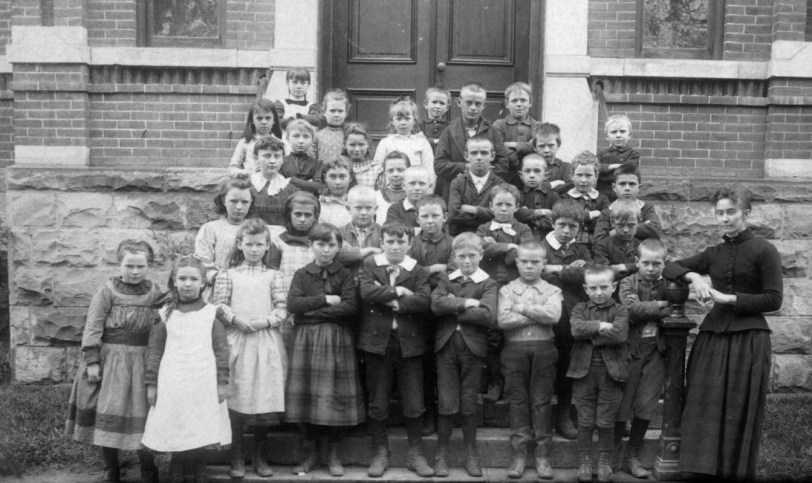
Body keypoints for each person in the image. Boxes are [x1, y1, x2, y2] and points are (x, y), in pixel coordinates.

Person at [663, 189, 782, 480]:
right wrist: (694, 277)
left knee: (738, 409)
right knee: (701, 403)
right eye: (720, 213)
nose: (725, 218)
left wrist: (727, 298)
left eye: (731, 212)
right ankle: (700, 471)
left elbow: (773, 299)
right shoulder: (713, 253)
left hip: (749, 339)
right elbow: (670, 267)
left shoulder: (764, 250)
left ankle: (732, 472)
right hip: (713, 337)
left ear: (746, 213)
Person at [65, 240, 164, 483]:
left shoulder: (155, 292)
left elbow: (165, 322)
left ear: (148, 265)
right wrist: (92, 360)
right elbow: (93, 325)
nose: (135, 271)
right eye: (129, 265)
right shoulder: (107, 291)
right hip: (111, 360)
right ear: (119, 264)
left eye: (140, 265)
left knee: (142, 411)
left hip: (142, 359)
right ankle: (112, 467)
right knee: (108, 410)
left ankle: (148, 466)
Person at [209, 219, 288, 479]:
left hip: (265, 340)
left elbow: (282, 307)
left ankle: (260, 456)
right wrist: (235, 319)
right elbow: (218, 304)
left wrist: (267, 320)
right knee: (238, 395)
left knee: (263, 398)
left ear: (267, 246)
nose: (254, 249)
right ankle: (236, 456)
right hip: (237, 340)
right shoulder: (227, 274)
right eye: (249, 244)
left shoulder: (274, 275)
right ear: (240, 245)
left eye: (260, 245)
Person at [142, 256, 231, 483]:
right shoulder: (164, 314)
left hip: (203, 380)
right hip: (173, 380)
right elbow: (154, 351)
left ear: (203, 283)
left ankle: (200, 466)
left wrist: (222, 382)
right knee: (177, 421)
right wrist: (151, 384)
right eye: (182, 278)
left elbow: (221, 350)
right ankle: (177, 465)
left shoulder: (212, 313)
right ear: (174, 281)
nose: (188, 284)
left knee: (200, 422)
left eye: (194, 279)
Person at [286, 222, 365, 477]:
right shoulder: (301, 274)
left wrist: (312, 311)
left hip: (336, 339)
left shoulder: (344, 274)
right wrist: (324, 300)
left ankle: (333, 451)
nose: (326, 250)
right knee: (306, 395)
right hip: (305, 341)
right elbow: (294, 304)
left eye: (331, 245)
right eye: (320, 244)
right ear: (310, 245)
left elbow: (351, 307)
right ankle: (310, 452)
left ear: (339, 247)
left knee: (334, 395)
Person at [358, 223, 434, 478]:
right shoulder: (371, 265)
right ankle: (380, 452)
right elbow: (366, 291)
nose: (395, 246)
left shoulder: (418, 269)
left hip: (409, 342)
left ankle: (415, 454)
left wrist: (396, 303)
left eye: (400, 242)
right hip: (377, 342)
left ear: (410, 244)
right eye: (390, 241)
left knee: (414, 400)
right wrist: (396, 290)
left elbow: (424, 300)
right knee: (378, 400)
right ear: (382, 242)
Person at [430, 232, 498, 477]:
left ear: (481, 255)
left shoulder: (488, 282)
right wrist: (470, 303)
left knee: (469, 402)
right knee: (447, 403)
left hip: (473, 348)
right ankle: (441, 455)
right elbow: (436, 305)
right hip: (446, 346)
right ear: (454, 256)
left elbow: (488, 315)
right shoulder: (447, 279)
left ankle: (471, 453)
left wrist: (454, 304)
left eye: (472, 255)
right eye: (461, 256)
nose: (467, 261)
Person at [497, 240, 563, 480]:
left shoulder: (553, 290)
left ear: (544, 264)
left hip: (544, 350)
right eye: (524, 261)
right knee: (518, 402)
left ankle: (543, 455)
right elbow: (503, 320)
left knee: (541, 402)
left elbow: (553, 315)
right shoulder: (506, 290)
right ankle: (520, 454)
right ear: (517, 263)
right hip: (514, 350)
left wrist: (521, 308)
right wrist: (537, 313)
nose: (529, 266)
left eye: (535, 262)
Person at [568, 265, 629, 483]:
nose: (599, 292)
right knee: (585, 421)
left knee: (605, 421)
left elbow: (619, 335)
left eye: (604, 287)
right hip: (583, 373)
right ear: (585, 288)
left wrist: (591, 333)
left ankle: (604, 462)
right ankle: (584, 461)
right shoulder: (579, 308)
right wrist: (601, 325)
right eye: (593, 288)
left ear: (614, 287)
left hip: (611, 373)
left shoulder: (621, 310)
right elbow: (575, 330)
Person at [615, 238, 670, 479]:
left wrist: (648, 306)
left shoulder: (670, 284)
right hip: (631, 348)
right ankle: (613, 454)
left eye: (656, 263)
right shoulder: (628, 282)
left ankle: (633, 455)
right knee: (623, 401)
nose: (650, 268)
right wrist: (659, 305)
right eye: (645, 263)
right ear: (637, 262)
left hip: (656, 350)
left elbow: (674, 309)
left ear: (664, 263)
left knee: (647, 403)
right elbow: (629, 311)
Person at [541, 199, 594, 441]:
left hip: (571, 317)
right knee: (543, 366)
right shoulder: (542, 246)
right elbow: (537, 271)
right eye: (562, 225)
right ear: (552, 223)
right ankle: (540, 419)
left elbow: (588, 275)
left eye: (573, 227)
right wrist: (568, 270)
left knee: (566, 367)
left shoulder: (582, 250)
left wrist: (557, 270)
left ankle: (562, 415)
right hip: (543, 313)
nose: (566, 231)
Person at [408, 194, 455, 436]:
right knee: (423, 364)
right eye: (424, 216)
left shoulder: (453, 244)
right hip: (418, 313)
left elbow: (456, 273)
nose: (430, 221)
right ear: (417, 218)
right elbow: (409, 273)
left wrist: (435, 273)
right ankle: (427, 414)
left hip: (445, 313)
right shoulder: (411, 244)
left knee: (444, 364)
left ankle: (446, 413)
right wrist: (433, 269)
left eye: (435, 215)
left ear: (445, 217)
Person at [434, 82, 510, 200]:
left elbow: (503, 164)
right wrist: (467, 168)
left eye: (478, 104)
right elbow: (439, 165)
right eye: (469, 103)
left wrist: (482, 176)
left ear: (484, 105)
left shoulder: (493, 132)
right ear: (459, 103)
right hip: (455, 193)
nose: (473, 108)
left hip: (486, 193)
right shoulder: (449, 131)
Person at [268, 192, 320, 351]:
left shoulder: (320, 242)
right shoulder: (278, 243)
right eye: (297, 214)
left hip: (313, 306)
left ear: (315, 217)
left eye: (308, 215)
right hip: (285, 306)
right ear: (289, 215)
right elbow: (272, 275)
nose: (302, 219)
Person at [194, 173, 255, 283]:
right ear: (223, 201)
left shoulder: (255, 229)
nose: (239, 207)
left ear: (251, 202)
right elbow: (201, 264)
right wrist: (218, 278)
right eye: (233, 201)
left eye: (245, 202)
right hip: (218, 284)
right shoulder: (210, 229)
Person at [447, 136, 508, 236]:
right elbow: (454, 214)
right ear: (466, 156)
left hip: (491, 237)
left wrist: (475, 210)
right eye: (474, 153)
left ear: (492, 156)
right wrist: (486, 217)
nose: (479, 157)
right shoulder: (457, 183)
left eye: (484, 153)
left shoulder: (500, 185)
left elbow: (501, 214)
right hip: (461, 236)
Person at [592, 164, 662, 245]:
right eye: (622, 184)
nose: (627, 188)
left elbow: (656, 230)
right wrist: (641, 227)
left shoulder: (646, 208)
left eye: (632, 184)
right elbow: (598, 241)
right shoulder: (607, 212)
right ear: (614, 187)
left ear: (639, 188)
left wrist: (615, 232)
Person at [374, 97, 436, 186]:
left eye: (407, 119)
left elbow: (430, 170)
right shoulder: (385, 143)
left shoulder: (422, 143)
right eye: (399, 119)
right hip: (391, 189)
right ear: (392, 121)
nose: (403, 123)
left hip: (415, 188)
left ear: (414, 120)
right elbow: (377, 169)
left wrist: (428, 191)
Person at [492, 82, 539, 187]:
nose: (519, 104)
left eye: (523, 100)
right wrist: (513, 157)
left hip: (531, 176)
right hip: (505, 176)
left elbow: (536, 146)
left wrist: (511, 144)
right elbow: (496, 146)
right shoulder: (499, 125)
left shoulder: (537, 126)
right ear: (507, 103)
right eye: (514, 100)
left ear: (530, 102)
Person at [249, 136, 300, 231]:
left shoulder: (290, 188)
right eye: (267, 156)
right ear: (256, 158)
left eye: (277, 156)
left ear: (282, 160)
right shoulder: (248, 185)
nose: (272, 161)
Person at [563, 151, 610, 251]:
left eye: (588, 175)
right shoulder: (565, 197)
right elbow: (566, 217)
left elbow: (605, 221)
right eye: (579, 175)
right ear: (572, 175)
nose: (583, 180)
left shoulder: (602, 199)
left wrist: (579, 217)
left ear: (596, 176)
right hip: (570, 245)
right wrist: (591, 215)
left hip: (595, 245)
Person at [228, 98, 285, 176]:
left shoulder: (281, 144)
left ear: (274, 120)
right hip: (251, 183)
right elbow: (231, 170)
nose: (264, 122)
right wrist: (248, 173)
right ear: (252, 120)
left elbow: (286, 169)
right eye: (259, 118)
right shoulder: (245, 143)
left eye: (268, 118)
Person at [592, 199, 642, 283]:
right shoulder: (603, 246)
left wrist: (624, 267)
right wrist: (635, 266)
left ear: (639, 223)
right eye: (620, 225)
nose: (625, 230)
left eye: (631, 225)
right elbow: (602, 272)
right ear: (612, 223)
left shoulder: (642, 246)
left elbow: (647, 268)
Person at [338, 185, 383, 274]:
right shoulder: (340, 233)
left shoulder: (383, 232)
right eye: (358, 208)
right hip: (347, 282)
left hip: (375, 282)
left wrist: (352, 253)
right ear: (348, 208)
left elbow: (386, 256)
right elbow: (340, 257)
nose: (363, 212)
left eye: (368, 208)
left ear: (375, 209)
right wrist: (372, 250)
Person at [514, 153, 560, 239]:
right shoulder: (517, 195)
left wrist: (527, 214)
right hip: (523, 239)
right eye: (527, 171)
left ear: (546, 176)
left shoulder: (553, 196)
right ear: (521, 175)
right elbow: (516, 214)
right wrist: (541, 212)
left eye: (537, 171)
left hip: (548, 239)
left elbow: (558, 217)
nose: (532, 175)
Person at [597, 114, 639, 200]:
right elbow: (595, 167)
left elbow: (628, 170)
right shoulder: (601, 154)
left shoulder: (633, 154)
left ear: (629, 135)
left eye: (622, 131)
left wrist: (604, 174)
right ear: (606, 136)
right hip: (602, 193)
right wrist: (614, 166)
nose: (618, 135)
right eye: (613, 132)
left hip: (623, 193)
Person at [280, 118, 323, 195]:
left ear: (312, 139)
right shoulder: (280, 162)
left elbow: (318, 187)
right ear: (287, 138)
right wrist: (308, 184)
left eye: (306, 136)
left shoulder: (317, 164)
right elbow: (279, 185)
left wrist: (291, 180)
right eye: (296, 136)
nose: (301, 141)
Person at [385, 165, 432, 231]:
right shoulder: (395, 210)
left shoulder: (436, 208)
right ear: (404, 186)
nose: (417, 188)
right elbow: (392, 233)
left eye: (421, 183)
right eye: (412, 183)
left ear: (430, 186)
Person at [532, 123, 573, 195]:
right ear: (535, 147)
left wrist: (542, 187)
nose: (546, 150)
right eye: (541, 146)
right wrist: (554, 184)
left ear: (558, 145)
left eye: (551, 145)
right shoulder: (530, 167)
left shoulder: (566, 167)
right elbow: (531, 190)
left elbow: (570, 186)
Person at [312, 89, 350, 163]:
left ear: (346, 113)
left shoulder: (350, 135)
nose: (336, 115)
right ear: (324, 112)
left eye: (340, 111)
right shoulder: (317, 136)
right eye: (332, 111)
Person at [318, 157, 355, 229]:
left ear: (350, 178)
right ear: (325, 178)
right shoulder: (319, 204)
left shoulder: (356, 203)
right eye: (332, 177)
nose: (337, 182)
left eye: (342, 177)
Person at [374, 151, 410, 223]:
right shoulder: (377, 196)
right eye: (390, 171)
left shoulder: (412, 196)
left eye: (400, 170)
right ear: (384, 172)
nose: (395, 174)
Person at [342, 123, 381, 188]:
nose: (357, 149)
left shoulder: (376, 168)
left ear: (368, 144)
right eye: (352, 145)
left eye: (361, 144)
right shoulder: (341, 167)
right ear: (344, 144)